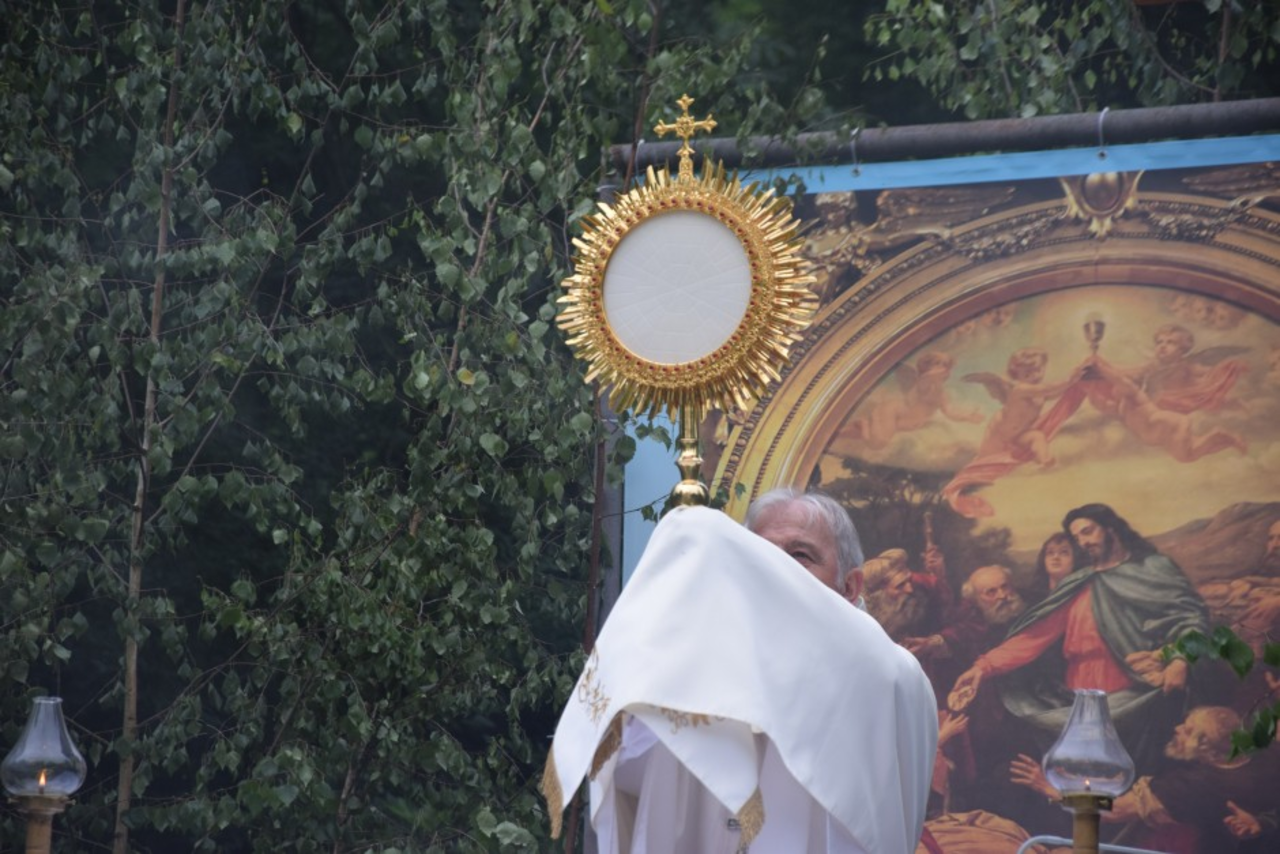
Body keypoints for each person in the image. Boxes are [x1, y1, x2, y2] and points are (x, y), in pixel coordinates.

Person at [542, 490, 939, 854]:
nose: (775, 571)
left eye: (800, 555)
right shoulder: (704, 675)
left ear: (850, 587)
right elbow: (635, 775)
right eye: (759, 557)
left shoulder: (893, 675)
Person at [947, 503, 1209, 773]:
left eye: (1088, 532)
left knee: (1134, 773)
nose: (1083, 542)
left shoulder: (1153, 568)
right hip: (1080, 697)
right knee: (1087, 774)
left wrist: (1180, 659)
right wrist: (982, 668)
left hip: (1137, 695)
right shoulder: (1079, 582)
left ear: (1110, 529)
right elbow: (1033, 637)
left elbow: (1191, 618)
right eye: (1077, 537)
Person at [1009, 706, 1280, 853]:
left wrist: (1050, 789)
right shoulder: (1263, 755)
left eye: (1187, 731)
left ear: (1209, 749)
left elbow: (1112, 811)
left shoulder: (1192, 786)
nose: (1177, 729)